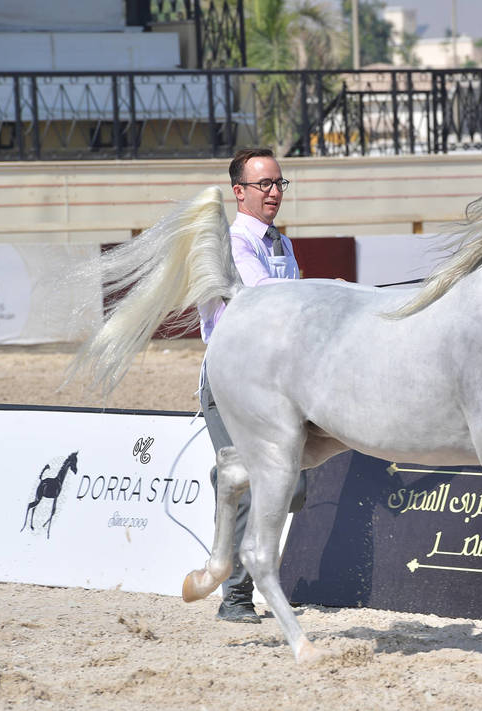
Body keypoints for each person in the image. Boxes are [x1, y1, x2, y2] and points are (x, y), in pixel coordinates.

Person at [198, 147, 305, 623]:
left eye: (279, 183)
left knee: (294, 488)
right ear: (238, 192)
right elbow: (263, 299)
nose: (275, 192)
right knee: (249, 480)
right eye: (265, 184)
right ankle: (236, 599)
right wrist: (325, 292)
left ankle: (224, 479)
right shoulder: (232, 243)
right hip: (231, 383)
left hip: (275, 382)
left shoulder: (282, 244)